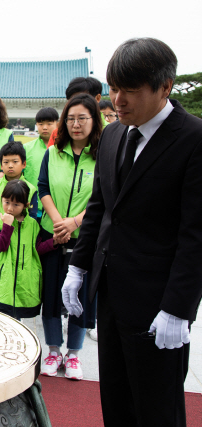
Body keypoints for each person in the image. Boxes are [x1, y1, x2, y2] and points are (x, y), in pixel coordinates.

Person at [64, 38, 202, 426]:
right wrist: (78, 267)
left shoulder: (193, 139)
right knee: (117, 401)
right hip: (110, 292)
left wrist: (179, 307)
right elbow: (100, 208)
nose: (118, 100)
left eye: (131, 90)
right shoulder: (111, 135)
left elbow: (197, 234)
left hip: (159, 303)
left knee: (157, 408)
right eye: (113, 88)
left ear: (165, 87)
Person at [37, 93, 102, 380]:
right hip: (53, 233)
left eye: (83, 118)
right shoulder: (53, 152)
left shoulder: (102, 155)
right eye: (71, 118)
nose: (76, 124)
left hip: (85, 237)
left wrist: (74, 223)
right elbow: (43, 188)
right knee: (50, 295)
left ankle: (74, 354)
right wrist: (58, 223)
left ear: (94, 121)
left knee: (80, 297)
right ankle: (53, 349)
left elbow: (104, 197)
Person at [0, 180, 60, 319]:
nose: (9, 208)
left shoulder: (33, 225)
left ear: (25, 205)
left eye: (16, 204)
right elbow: (1, 246)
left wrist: (54, 241)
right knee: (0, 319)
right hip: (2, 283)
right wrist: (7, 226)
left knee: (16, 320)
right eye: (6, 202)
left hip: (24, 282)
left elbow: (37, 249)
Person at [0, 142, 38, 303]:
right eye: (6, 162)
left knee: (15, 284)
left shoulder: (30, 188)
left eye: (15, 162)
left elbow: (32, 216)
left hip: (20, 244)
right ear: (1, 164)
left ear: (24, 164)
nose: (10, 166)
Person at [47, 77, 106, 147]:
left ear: (97, 98)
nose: (78, 102)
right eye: (73, 99)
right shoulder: (58, 133)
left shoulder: (110, 131)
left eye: (84, 98)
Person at [23, 107, 58, 220]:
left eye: (49, 123)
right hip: (31, 206)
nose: (44, 127)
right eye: (40, 124)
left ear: (57, 123)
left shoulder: (64, 148)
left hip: (57, 209)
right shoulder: (26, 148)